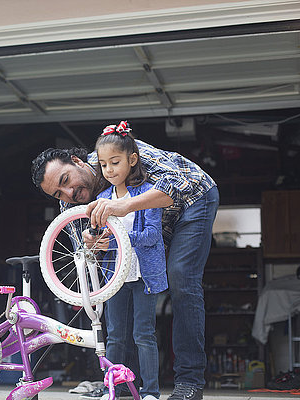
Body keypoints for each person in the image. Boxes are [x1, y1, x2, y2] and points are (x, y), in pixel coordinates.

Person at [31, 121, 219, 400]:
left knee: (180, 276)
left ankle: (189, 382)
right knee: (116, 287)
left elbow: (178, 188)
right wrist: (94, 245)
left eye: (65, 181)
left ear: (77, 161)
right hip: (147, 235)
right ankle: (122, 383)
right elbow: (87, 259)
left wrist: (124, 204)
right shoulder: (71, 204)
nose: (68, 194)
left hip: (193, 201)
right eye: (58, 193)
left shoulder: (117, 151)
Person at [89, 122, 167, 400]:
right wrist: (94, 240)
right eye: (104, 164)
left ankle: (151, 391)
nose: (109, 170)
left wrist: (120, 237)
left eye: (115, 162)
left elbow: (152, 235)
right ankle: (114, 387)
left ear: (131, 160)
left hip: (144, 275)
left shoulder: (147, 194)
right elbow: (99, 237)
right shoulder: (100, 199)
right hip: (115, 276)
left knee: (144, 334)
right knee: (115, 336)